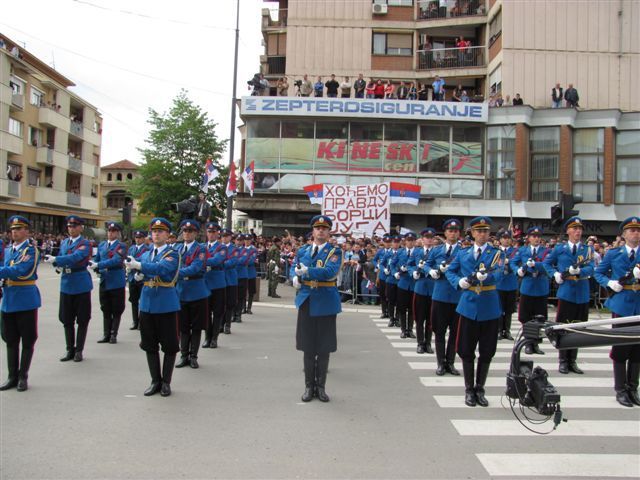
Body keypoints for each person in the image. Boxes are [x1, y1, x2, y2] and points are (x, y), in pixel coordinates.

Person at [446, 216, 505, 407]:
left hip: (489, 306)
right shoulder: (463, 253)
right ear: (471, 233)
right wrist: (459, 282)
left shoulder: (496, 253)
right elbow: (450, 271)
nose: (482, 234)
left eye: (486, 231)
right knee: (466, 350)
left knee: (487, 351)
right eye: (478, 231)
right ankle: (469, 389)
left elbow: (500, 274)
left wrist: (487, 277)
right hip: (468, 305)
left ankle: (480, 388)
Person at [125, 218, 180, 397]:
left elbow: (162, 269)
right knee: (149, 345)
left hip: (165, 304)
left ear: (168, 235)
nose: (156, 234)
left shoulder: (172, 253)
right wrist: (136, 274)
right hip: (147, 303)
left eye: (161, 231)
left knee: (169, 345)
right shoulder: (147, 254)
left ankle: (166, 382)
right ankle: (155, 380)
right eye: (154, 231)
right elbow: (136, 274)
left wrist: (139, 266)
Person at [294, 215, 343, 402]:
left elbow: (329, 272)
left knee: (323, 347)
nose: (321, 230)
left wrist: (307, 271)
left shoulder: (334, 252)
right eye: (317, 228)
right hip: (306, 301)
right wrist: (295, 277)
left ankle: (321, 387)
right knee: (307, 347)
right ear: (313, 231)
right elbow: (294, 267)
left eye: (324, 228)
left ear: (329, 232)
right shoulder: (303, 250)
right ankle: (308, 386)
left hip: (326, 303)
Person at [594, 217, 640, 407]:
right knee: (621, 347)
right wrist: (610, 283)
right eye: (631, 230)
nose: (635, 233)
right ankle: (620, 389)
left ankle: (632, 387)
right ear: (623, 234)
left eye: (637, 230)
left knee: (638, 349)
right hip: (621, 304)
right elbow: (599, 273)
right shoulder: (614, 254)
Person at [544, 216, 595, 375]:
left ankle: (573, 360)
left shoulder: (587, 249)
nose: (577, 231)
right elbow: (547, 263)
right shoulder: (560, 248)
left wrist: (580, 271)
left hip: (581, 292)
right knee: (563, 327)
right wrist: (555, 274)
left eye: (579, 229)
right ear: (568, 231)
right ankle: (563, 360)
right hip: (566, 292)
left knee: (578, 328)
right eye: (574, 228)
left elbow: (592, 268)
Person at [44, 215, 93, 363]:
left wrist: (57, 260)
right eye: (69, 226)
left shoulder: (85, 243)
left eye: (74, 226)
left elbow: (76, 257)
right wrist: (57, 264)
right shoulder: (64, 242)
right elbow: (61, 256)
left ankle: (79, 350)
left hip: (80, 283)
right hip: (66, 283)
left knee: (82, 319)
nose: (71, 228)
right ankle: (69, 349)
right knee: (66, 319)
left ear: (80, 228)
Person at [0, 216, 41, 391]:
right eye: (13, 229)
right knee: (10, 339)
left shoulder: (31, 251)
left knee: (27, 339)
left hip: (25, 299)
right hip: (9, 299)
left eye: (19, 229)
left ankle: (23, 376)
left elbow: (22, 271)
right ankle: (12, 376)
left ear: (27, 231)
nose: (14, 232)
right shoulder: (9, 250)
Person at [425, 219, 463, 376]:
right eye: (450, 230)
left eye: (455, 231)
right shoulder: (436, 250)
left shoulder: (463, 251)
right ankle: (440, 363)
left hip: (456, 296)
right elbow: (427, 263)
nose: (452, 233)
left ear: (458, 233)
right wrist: (431, 271)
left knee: (455, 332)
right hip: (439, 295)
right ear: (445, 233)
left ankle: (451, 363)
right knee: (439, 331)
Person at [174, 220, 209, 369]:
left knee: (196, 326)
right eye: (185, 231)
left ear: (195, 233)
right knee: (183, 327)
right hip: (181, 291)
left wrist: (174, 273)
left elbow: (195, 268)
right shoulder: (177, 248)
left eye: (190, 231)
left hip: (196, 291)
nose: (187, 234)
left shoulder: (200, 249)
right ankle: (183, 355)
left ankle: (193, 356)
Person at [513, 226, 549, 354]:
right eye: (534, 236)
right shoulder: (522, 250)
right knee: (526, 317)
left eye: (538, 236)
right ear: (528, 238)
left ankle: (536, 344)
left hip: (541, 286)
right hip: (527, 286)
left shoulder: (546, 251)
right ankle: (528, 342)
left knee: (540, 317)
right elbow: (513, 263)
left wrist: (536, 265)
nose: (537, 239)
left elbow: (548, 266)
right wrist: (520, 269)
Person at [90, 222, 127, 344]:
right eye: (109, 231)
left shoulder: (121, 246)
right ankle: (106, 334)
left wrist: (99, 265)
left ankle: (113, 334)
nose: (110, 233)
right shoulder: (102, 245)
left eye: (113, 231)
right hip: (105, 280)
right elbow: (97, 259)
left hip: (116, 280)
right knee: (105, 308)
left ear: (118, 233)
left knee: (116, 308)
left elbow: (116, 260)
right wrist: (94, 265)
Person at [410, 228, 436, 354]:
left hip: (432, 288)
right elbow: (409, 264)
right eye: (426, 237)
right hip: (420, 287)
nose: (429, 239)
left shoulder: (437, 251)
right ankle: (420, 343)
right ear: (422, 239)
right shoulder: (417, 252)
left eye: (431, 237)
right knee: (419, 318)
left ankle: (428, 343)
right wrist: (413, 272)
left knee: (431, 318)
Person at [202, 222, 227, 348]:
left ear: (218, 233)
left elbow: (217, 260)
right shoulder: (202, 246)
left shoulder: (222, 247)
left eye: (214, 232)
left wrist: (201, 261)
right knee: (206, 312)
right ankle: (207, 337)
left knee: (217, 312)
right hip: (205, 283)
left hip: (217, 283)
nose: (211, 234)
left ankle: (214, 338)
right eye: (209, 232)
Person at [394, 232, 417, 338]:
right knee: (402, 308)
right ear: (405, 241)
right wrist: (395, 272)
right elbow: (392, 263)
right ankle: (403, 329)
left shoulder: (419, 252)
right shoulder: (400, 252)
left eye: (412, 240)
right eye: (408, 240)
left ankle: (410, 329)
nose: (410, 242)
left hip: (414, 283)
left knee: (412, 309)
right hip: (402, 283)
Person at [127, 230, 150, 330]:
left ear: (144, 238)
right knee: (133, 300)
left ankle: (141, 322)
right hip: (132, 277)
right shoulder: (131, 248)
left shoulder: (147, 249)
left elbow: (145, 261)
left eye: (140, 237)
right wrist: (127, 266)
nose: (138, 239)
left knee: (142, 301)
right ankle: (135, 321)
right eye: (136, 238)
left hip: (141, 277)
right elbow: (127, 259)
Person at [496, 231, 517, 341]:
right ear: (500, 239)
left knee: (509, 309)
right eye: (504, 238)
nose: (506, 240)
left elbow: (518, 262)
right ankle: (499, 330)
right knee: (499, 309)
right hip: (499, 284)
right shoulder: (496, 251)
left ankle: (507, 331)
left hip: (511, 283)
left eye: (508, 238)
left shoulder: (515, 251)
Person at [221, 229, 238, 334]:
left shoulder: (234, 249)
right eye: (222, 236)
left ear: (230, 237)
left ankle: (227, 325)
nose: (224, 238)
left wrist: (219, 262)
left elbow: (232, 262)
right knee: (221, 304)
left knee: (229, 303)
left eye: (226, 236)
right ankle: (220, 324)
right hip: (221, 279)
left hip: (231, 279)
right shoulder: (218, 247)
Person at [383, 235, 402, 328]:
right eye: (394, 242)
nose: (396, 244)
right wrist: (384, 269)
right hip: (390, 279)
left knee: (399, 301)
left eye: (397, 242)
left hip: (400, 280)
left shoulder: (402, 252)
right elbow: (381, 264)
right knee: (391, 300)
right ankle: (391, 318)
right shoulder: (388, 253)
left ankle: (397, 318)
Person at [373, 235, 391, 319]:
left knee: (390, 295)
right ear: (383, 243)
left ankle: (390, 312)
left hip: (391, 276)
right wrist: (378, 265)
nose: (387, 244)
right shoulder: (380, 251)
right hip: (382, 276)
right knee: (383, 294)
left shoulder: (394, 251)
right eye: (386, 242)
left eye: (389, 242)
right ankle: (384, 312)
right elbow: (374, 260)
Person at [234, 233, 249, 323]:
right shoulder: (231, 249)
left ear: (243, 241)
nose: (239, 242)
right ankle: (233, 314)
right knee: (233, 297)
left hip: (242, 276)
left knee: (240, 297)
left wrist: (233, 260)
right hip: (233, 276)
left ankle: (238, 315)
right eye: (237, 240)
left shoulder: (245, 250)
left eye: (240, 240)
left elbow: (242, 260)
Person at [243, 234, 258, 314]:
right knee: (243, 291)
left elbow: (252, 260)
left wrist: (242, 261)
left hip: (251, 273)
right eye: (245, 239)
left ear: (251, 240)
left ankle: (249, 308)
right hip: (243, 273)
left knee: (251, 291)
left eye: (248, 240)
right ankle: (243, 308)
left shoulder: (253, 249)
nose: (247, 241)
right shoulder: (241, 248)